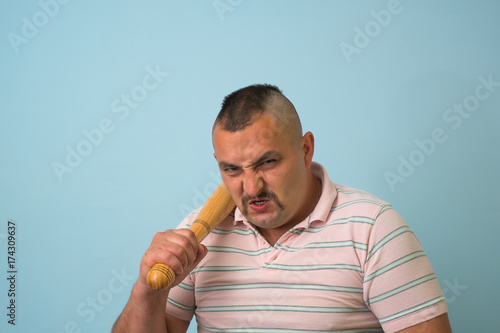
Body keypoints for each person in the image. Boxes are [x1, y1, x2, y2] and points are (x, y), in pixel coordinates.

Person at [112, 84, 452, 332]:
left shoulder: (373, 228)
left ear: (305, 149)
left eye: (268, 162)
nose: (251, 187)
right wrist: (146, 292)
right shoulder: (198, 239)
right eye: (232, 169)